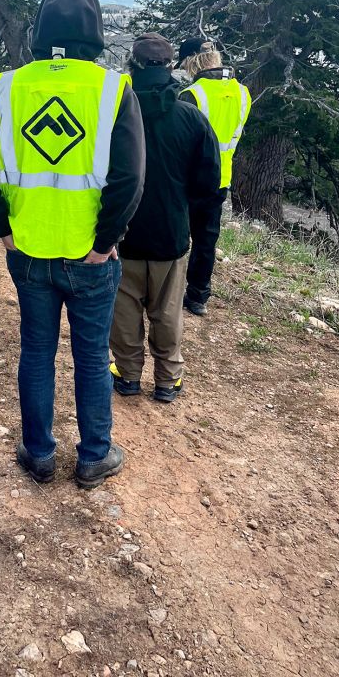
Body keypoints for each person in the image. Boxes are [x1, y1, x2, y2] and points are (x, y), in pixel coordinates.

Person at [0, 0, 146, 489]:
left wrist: (3, 227)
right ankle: (94, 457)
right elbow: (130, 178)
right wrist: (105, 242)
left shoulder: (8, 87)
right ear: (96, 33)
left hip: (29, 251)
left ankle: (39, 453)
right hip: (91, 257)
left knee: (37, 350)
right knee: (90, 355)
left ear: (41, 32)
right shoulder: (113, 89)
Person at [110, 33, 221, 402]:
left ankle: (127, 375)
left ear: (133, 66)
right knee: (168, 310)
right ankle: (167, 380)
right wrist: (188, 214)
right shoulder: (191, 117)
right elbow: (208, 181)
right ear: (171, 67)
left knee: (123, 308)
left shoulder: (113, 114)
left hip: (122, 230)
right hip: (171, 231)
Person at [177, 37, 251, 317]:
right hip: (220, 179)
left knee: (178, 237)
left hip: (188, 180)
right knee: (206, 240)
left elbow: (181, 142)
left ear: (191, 62)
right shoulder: (243, 93)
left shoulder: (193, 95)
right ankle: (198, 296)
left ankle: (169, 291)